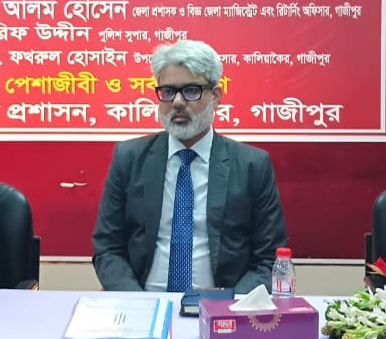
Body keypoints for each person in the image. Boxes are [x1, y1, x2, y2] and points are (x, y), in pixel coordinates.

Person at [92, 40, 287, 293]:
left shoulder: (252, 166)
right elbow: (108, 247)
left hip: (221, 307)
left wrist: (228, 305)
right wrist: (137, 303)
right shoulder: (129, 158)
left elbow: (270, 259)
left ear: (215, 97)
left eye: (191, 91)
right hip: (144, 302)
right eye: (168, 91)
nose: (177, 102)